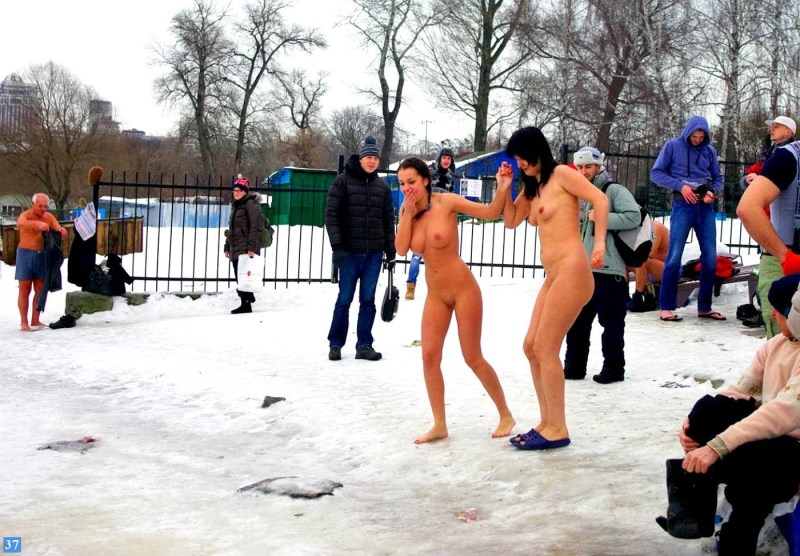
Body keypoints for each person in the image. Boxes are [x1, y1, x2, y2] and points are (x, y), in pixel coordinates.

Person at [657, 273, 800, 555]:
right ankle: (694, 509)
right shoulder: (776, 346)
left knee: (754, 475)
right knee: (709, 410)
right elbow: (739, 392)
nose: (771, 314)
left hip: (790, 450)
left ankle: (733, 535)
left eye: (777, 309)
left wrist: (717, 447)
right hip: (768, 438)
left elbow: (781, 413)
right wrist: (692, 426)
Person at [500, 126, 609, 450]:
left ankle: (557, 427)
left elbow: (600, 200)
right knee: (531, 346)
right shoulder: (532, 190)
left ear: (537, 152)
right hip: (553, 276)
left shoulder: (562, 174)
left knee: (545, 347)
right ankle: (547, 422)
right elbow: (509, 220)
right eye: (516, 160)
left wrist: (599, 243)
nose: (520, 164)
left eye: (523, 157)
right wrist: (505, 188)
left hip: (573, 271)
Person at [395, 156, 515, 444]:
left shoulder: (446, 202)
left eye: (411, 182)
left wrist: (502, 187)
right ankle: (439, 424)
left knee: (472, 356)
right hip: (436, 294)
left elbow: (490, 213)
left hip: (463, 290)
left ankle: (505, 414)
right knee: (429, 356)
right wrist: (407, 215)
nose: (406, 188)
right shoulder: (406, 209)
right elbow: (401, 248)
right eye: (401, 184)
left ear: (425, 179)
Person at [564, 147, 640, 384]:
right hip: (584, 270)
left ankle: (614, 368)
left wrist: (602, 217)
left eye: (588, 166)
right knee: (577, 322)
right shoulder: (578, 193)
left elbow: (634, 216)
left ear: (599, 166)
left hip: (610, 270)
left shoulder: (613, 190)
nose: (584, 171)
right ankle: (574, 367)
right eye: (580, 167)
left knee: (612, 323)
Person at [325, 135, 396, 362]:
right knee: (344, 299)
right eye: (368, 156)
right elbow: (331, 215)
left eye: (375, 157)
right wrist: (337, 246)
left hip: (374, 254)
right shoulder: (342, 182)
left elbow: (388, 220)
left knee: (368, 300)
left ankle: (364, 344)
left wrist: (391, 251)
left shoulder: (382, 187)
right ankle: (335, 343)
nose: (372, 161)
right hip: (348, 253)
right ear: (361, 157)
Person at [651, 115, 725, 322]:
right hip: (683, 205)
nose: (698, 139)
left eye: (702, 136)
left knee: (710, 256)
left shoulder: (709, 151)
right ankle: (665, 306)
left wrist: (713, 191)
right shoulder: (672, 146)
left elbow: (718, 178)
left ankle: (705, 306)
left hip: (705, 207)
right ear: (688, 132)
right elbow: (656, 173)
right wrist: (680, 186)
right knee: (674, 255)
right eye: (695, 136)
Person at [736, 118, 798, 338]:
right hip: (786, 258)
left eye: (778, 126)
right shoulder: (787, 156)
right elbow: (747, 207)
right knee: (785, 347)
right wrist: (785, 256)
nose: (772, 129)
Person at [405, 147, 459, 300]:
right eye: (444, 157)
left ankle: (441, 288)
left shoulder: (451, 176)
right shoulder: (429, 172)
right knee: (417, 254)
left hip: (441, 219)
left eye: (449, 158)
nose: (446, 160)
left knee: (442, 256)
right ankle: (411, 285)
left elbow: (451, 198)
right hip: (425, 215)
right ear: (439, 159)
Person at [16, 193, 66, 331]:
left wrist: (61, 231)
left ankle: (35, 319)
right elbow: (20, 223)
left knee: (39, 289)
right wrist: (37, 224)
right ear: (33, 204)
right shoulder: (26, 215)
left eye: (45, 206)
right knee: (24, 288)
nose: (43, 209)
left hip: (42, 255)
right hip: (25, 254)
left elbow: (58, 228)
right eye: (40, 206)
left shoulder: (48, 217)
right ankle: (23, 322)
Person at [223, 176, 263, 314]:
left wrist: (251, 247)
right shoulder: (236, 205)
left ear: (245, 191)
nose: (236, 192)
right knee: (240, 277)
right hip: (236, 247)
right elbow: (231, 228)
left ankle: (246, 305)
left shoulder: (251, 205)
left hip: (246, 248)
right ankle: (247, 301)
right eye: (234, 190)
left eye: (239, 190)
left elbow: (254, 227)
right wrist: (227, 246)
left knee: (244, 277)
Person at [627, 220, 670, 312]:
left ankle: (638, 297)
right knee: (621, 261)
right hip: (650, 268)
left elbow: (650, 253)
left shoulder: (655, 227)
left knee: (642, 260)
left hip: (667, 269)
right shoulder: (638, 230)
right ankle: (624, 296)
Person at [743, 116, 795, 188]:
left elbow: (783, 183)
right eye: (771, 126)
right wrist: (746, 180)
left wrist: (758, 180)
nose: (772, 129)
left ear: (788, 132)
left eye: (776, 127)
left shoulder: (793, 155)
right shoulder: (767, 153)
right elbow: (748, 174)